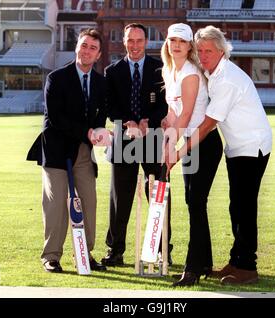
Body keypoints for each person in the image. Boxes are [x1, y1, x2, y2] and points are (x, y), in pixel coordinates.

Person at [167, 25, 272, 285]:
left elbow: (206, 125)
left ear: (222, 51)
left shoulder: (226, 78)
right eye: (200, 50)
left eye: (209, 51)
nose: (203, 56)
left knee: (244, 206)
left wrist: (177, 152)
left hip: (252, 145)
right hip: (236, 146)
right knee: (236, 204)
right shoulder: (211, 71)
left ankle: (247, 267)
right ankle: (237, 261)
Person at [27, 28, 108, 273]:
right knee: (56, 205)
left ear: (98, 54)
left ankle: (84, 253)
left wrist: (98, 131)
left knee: (88, 201)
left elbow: (100, 114)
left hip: (83, 151)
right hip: (55, 149)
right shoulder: (57, 77)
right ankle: (51, 255)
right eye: (84, 45)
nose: (87, 51)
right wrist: (87, 132)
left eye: (92, 48)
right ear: (77, 48)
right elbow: (56, 117)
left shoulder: (101, 82)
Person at [101, 23, 172, 266]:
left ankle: (163, 250)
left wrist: (148, 122)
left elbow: (166, 105)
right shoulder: (112, 71)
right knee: (120, 198)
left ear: (146, 42)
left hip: (153, 137)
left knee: (158, 195)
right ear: (124, 42)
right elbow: (109, 106)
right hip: (123, 139)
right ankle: (115, 251)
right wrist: (128, 121)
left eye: (139, 40)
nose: (134, 45)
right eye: (130, 40)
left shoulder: (160, 69)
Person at [160, 23, 223, 287]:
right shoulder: (169, 70)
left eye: (182, 42)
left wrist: (173, 151)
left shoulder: (190, 73)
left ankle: (193, 269)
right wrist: (167, 143)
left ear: (189, 47)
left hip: (204, 144)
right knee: (193, 202)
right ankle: (204, 262)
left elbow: (186, 115)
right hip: (189, 141)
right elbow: (174, 113)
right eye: (172, 40)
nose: (176, 45)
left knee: (195, 202)